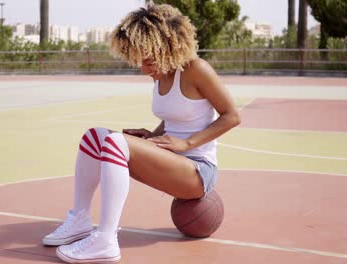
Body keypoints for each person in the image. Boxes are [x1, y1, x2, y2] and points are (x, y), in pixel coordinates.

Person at [43, 3, 241, 263]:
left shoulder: (196, 69)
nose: (143, 69)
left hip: (198, 171)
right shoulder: (160, 75)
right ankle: (79, 219)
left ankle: (106, 239)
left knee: (114, 142)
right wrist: (150, 137)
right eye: (139, 60)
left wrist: (187, 143)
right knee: (95, 136)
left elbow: (232, 116)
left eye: (148, 60)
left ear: (167, 48)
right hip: (173, 163)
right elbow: (175, 120)